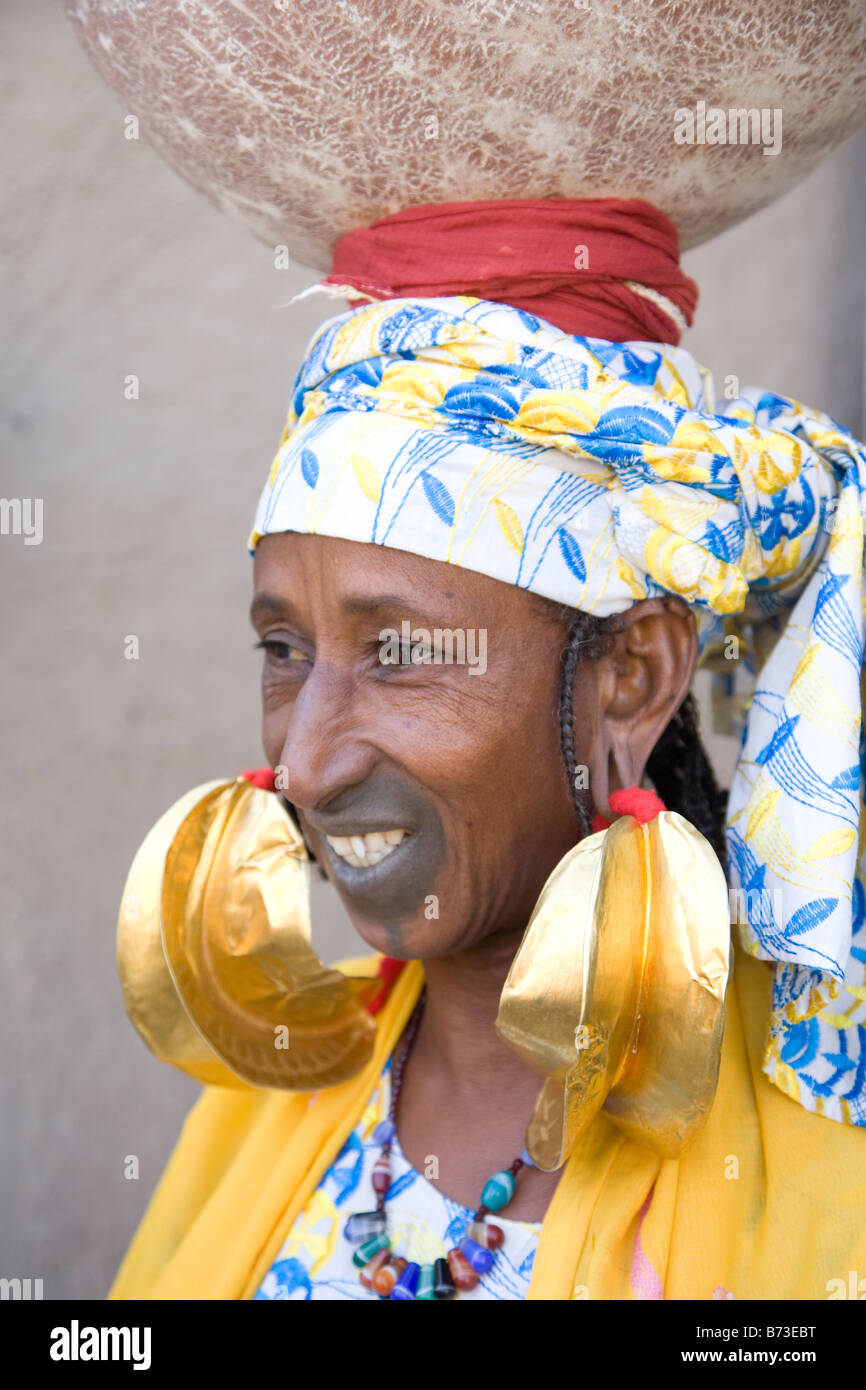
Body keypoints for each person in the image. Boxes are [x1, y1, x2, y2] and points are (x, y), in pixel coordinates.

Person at [110, 198, 866, 1301]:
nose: (305, 766)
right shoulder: (270, 1100)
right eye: (283, 646)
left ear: (632, 677)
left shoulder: (815, 1169)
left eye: (403, 652)